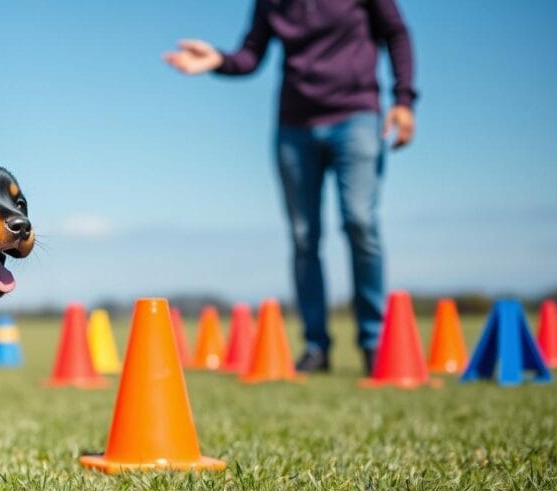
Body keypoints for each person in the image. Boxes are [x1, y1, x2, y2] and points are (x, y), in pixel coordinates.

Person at [164, 0, 417, 374]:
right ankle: (316, 347)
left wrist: (404, 99)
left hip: (357, 116)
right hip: (294, 128)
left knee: (360, 222)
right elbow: (251, 56)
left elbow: (396, 33)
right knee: (303, 236)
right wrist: (218, 59)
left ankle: (374, 342)